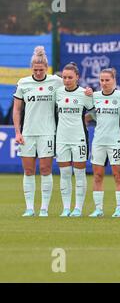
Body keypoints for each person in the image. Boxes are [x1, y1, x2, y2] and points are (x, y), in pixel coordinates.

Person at [13, 46, 62, 217]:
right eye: (36, 70)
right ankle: (29, 208)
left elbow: (72, 87)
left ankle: (44, 209)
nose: (39, 72)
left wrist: (87, 91)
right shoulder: (23, 83)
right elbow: (17, 110)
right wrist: (18, 132)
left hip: (48, 132)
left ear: (46, 68)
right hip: (27, 133)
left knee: (45, 169)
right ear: (31, 68)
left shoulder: (56, 81)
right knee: (28, 170)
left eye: (42, 69)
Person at [55, 62, 94, 217]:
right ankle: (66, 208)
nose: (67, 80)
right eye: (64, 77)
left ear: (77, 77)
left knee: (79, 173)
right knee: (64, 173)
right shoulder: (57, 93)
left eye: (70, 77)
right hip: (61, 139)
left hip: (79, 138)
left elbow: (94, 113)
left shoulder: (84, 93)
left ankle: (78, 208)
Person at [89, 68, 120, 217]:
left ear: (114, 80)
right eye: (102, 80)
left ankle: (119, 209)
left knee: (118, 175)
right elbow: (90, 113)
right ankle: (98, 209)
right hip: (98, 141)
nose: (104, 83)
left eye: (107, 80)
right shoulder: (94, 97)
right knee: (97, 175)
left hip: (115, 141)